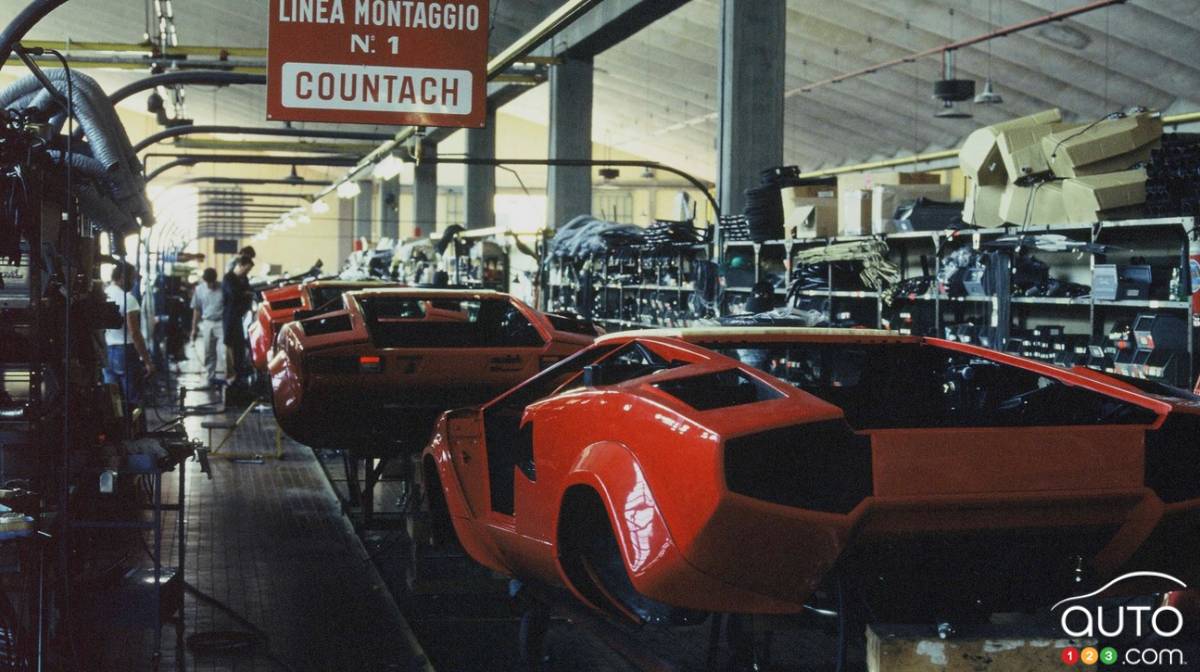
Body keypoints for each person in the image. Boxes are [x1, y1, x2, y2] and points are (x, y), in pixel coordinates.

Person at [104, 262, 156, 410]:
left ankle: (116, 431)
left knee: (113, 400)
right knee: (133, 399)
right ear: (122, 277)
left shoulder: (104, 294)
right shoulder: (128, 299)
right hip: (125, 352)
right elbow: (134, 332)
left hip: (107, 352)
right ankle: (134, 432)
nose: (134, 282)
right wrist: (147, 361)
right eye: (132, 278)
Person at [222, 255, 255, 383]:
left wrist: (246, 293)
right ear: (240, 265)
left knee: (240, 346)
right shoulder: (228, 278)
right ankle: (230, 376)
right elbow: (235, 294)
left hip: (240, 316)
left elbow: (248, 291)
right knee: (229, 344)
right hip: (230, 316)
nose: (247, 273)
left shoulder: (243, 278)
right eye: (246, 269)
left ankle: (239, 373)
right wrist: (246, 293)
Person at [190, 268, 225, 386]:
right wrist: (194, 328)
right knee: (209, 351)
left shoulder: (223, 288)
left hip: (222, 322)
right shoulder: (199, 290)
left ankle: (229, 378)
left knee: (224, 351)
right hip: (207, 322)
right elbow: (197, 309)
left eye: (212, 282)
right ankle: (210, 377)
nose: (210, 285)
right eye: (208, 282)